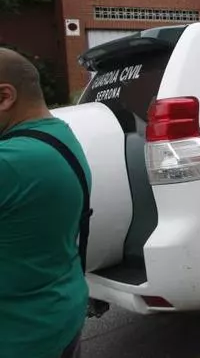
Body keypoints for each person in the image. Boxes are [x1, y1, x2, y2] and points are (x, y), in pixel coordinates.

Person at [0, 48, 91, 358]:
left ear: (4, 97)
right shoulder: (58, 134)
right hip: (57, 314)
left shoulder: (12, 161)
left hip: (21, 338)